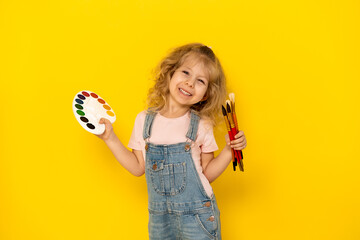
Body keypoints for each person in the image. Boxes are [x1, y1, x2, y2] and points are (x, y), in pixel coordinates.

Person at [96, 43, 247, 240]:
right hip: (160, 220)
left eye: (200, 80)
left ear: (206, 94)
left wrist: (229, 150)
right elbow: (137, 167)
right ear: (170, 73)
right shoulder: (144, 120)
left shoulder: (201, 124)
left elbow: (207, 173)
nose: (190, 83)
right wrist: (110, 138)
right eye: (185, 72)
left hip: (197, 218)